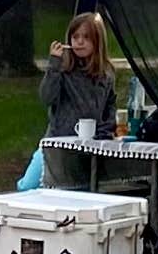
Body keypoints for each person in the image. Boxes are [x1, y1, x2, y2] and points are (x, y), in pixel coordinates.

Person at [22, 10, 119, 186]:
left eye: (86, 37)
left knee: (78, 190)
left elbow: (110, 107)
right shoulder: (63, 70)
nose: (79, 42)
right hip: (56, 143)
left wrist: (105, 131)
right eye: (75, 36)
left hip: (88, 149)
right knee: (28, 186)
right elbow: (46, 97)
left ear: (97, 42)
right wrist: (53, 66)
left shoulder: (106, 75)